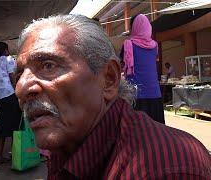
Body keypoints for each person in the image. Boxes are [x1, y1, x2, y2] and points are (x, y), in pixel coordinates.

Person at [14, 14, 211, 179]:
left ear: (108, 78)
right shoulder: (64, 146)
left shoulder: (169, 169)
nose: (20, 89)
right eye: (19, 74)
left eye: (49, 65)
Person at [120, 14, 165, 124]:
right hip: (155, 94)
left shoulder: (128, 44)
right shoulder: (154, 45)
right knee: (155, 132)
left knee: (136, 133)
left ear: (134, 27)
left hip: (136, 96)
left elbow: (121, 65)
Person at [0, 42, 22, 165]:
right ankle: (16, 157)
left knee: (2, 127)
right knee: (15, 126)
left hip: (0, 98)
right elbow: (12, 75)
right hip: (10, 95)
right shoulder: (8, 59)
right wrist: (16, 89)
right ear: (6, 50)